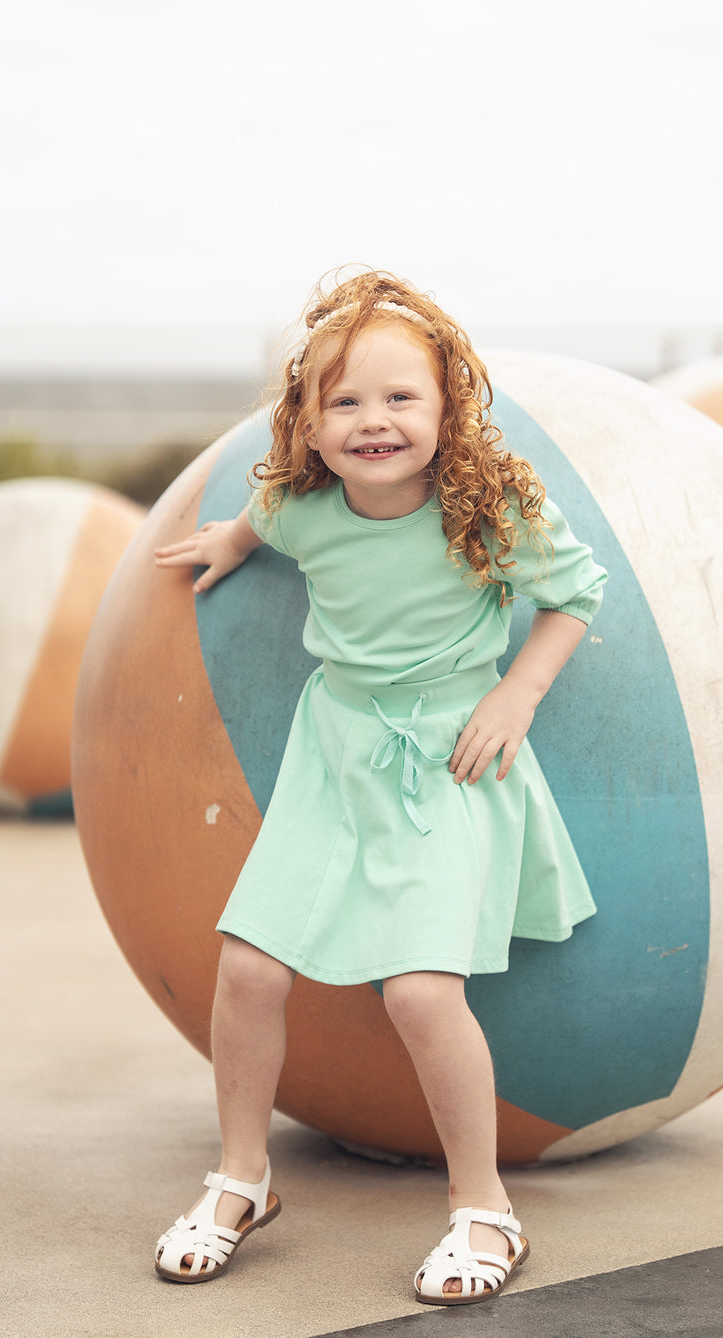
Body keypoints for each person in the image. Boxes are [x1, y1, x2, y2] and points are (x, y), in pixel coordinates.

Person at [152, 269, 607, 1306]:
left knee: (416, 989)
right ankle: (241, 1178)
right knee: (248, 966)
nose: (372, 421)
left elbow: (577, 592)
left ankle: (482, 1205)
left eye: (400, 398)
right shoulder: (299, 508)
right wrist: (227, 539)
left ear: (447, 410)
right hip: (334, 751)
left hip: (448, 757)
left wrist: (517, 698)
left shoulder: (483, 512)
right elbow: (263, 520)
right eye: (343, 401)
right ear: (306, 426)